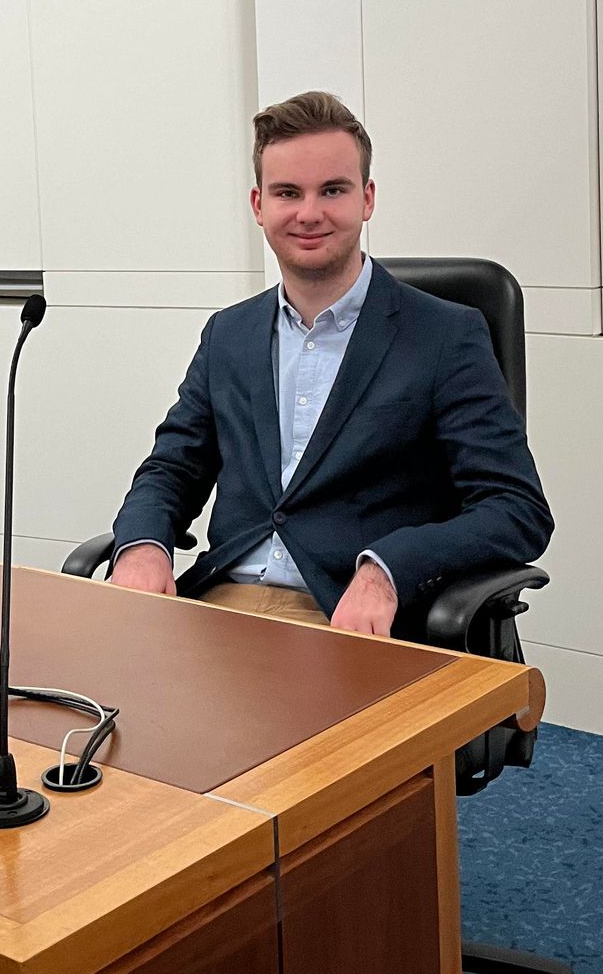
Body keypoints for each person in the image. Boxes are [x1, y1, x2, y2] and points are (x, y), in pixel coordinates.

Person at [108, 91, 553, 637]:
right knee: (71, 706)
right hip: (220, 610)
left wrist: (387, 570)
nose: (309, 213)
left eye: (333, 190)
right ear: (258, 206)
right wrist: (142, 544)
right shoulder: (229, 334)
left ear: (366, 199)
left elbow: (515, 508)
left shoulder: (445, 335)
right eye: (287, 193)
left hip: (351, 622)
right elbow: (171, 469)